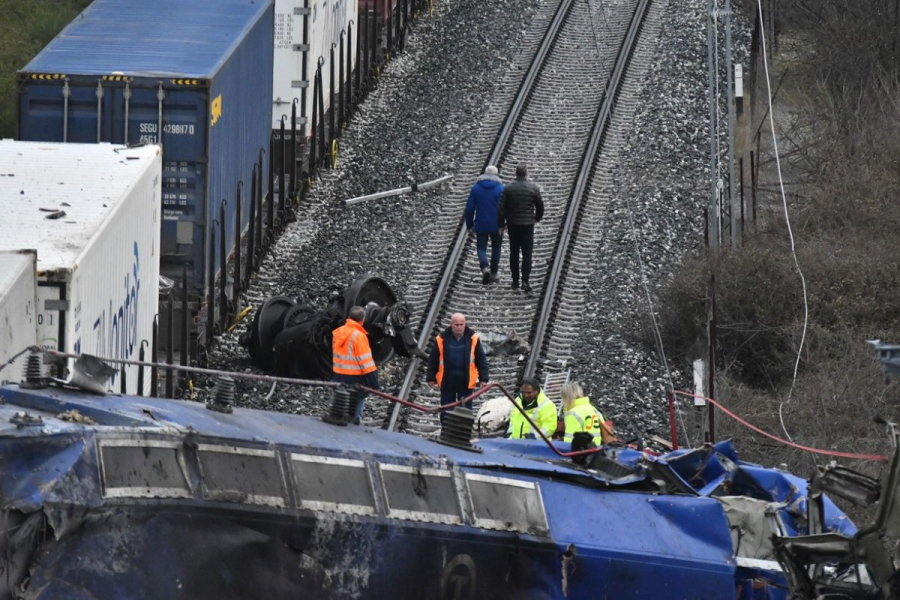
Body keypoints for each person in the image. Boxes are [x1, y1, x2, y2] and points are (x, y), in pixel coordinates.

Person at [426, 313, 489, 424]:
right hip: (447, 380)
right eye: (456, 325)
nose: (459, 327)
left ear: (465, 324)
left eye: (461, 324)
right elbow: (433, 359)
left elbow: (481, 359)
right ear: (451, 324)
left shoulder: (473, 339)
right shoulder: (441, 339)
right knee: (446, 409)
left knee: (465, 410)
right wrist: (431, 377)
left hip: (465, 380)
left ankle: (463, 433)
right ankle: (446, 432)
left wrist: (484, 378)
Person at [497, 161, 543, 293]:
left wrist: (501, 224)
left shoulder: (508, 188)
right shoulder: (533, 188)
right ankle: (525, 281)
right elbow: (540, 206)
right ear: (526, 173)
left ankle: (515, 280)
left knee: (514, 252)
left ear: (515, 174)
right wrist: (536, 218)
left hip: (513, 224)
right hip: (527, 225)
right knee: (527, 253)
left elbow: (501, 208)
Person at [331, 306, 379, 425]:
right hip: (355, 381)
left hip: (338, 377)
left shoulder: (338, 332)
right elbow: (366, 363)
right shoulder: (359, 336)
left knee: (338, 410)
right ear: (362, 319)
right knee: (353, 418)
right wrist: (375, 385)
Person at [465, 165, 505, 284]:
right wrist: (504, 224)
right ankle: (493, 273)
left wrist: (469, 224)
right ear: (496, 175)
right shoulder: (501, 189)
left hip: (481, 223)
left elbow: (469, 208)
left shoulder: (476, 188)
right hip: (496, 224)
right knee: (496, 247)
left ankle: (484, 267)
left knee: (481, 247)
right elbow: (504, 208)